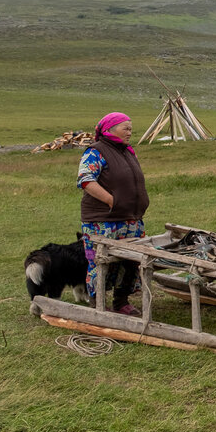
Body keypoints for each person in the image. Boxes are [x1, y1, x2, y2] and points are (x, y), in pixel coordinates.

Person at [78, 112, 150, 315]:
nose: (130, 132)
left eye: (131, 128)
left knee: (130, 260)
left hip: (131, 218)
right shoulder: (96, 152)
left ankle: (122, 301)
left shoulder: (128, 151)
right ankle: (98, 303)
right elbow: (86, 181)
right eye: (125, 128)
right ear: (109, 130)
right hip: (103, 221)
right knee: (102, 261)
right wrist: (112, 201)